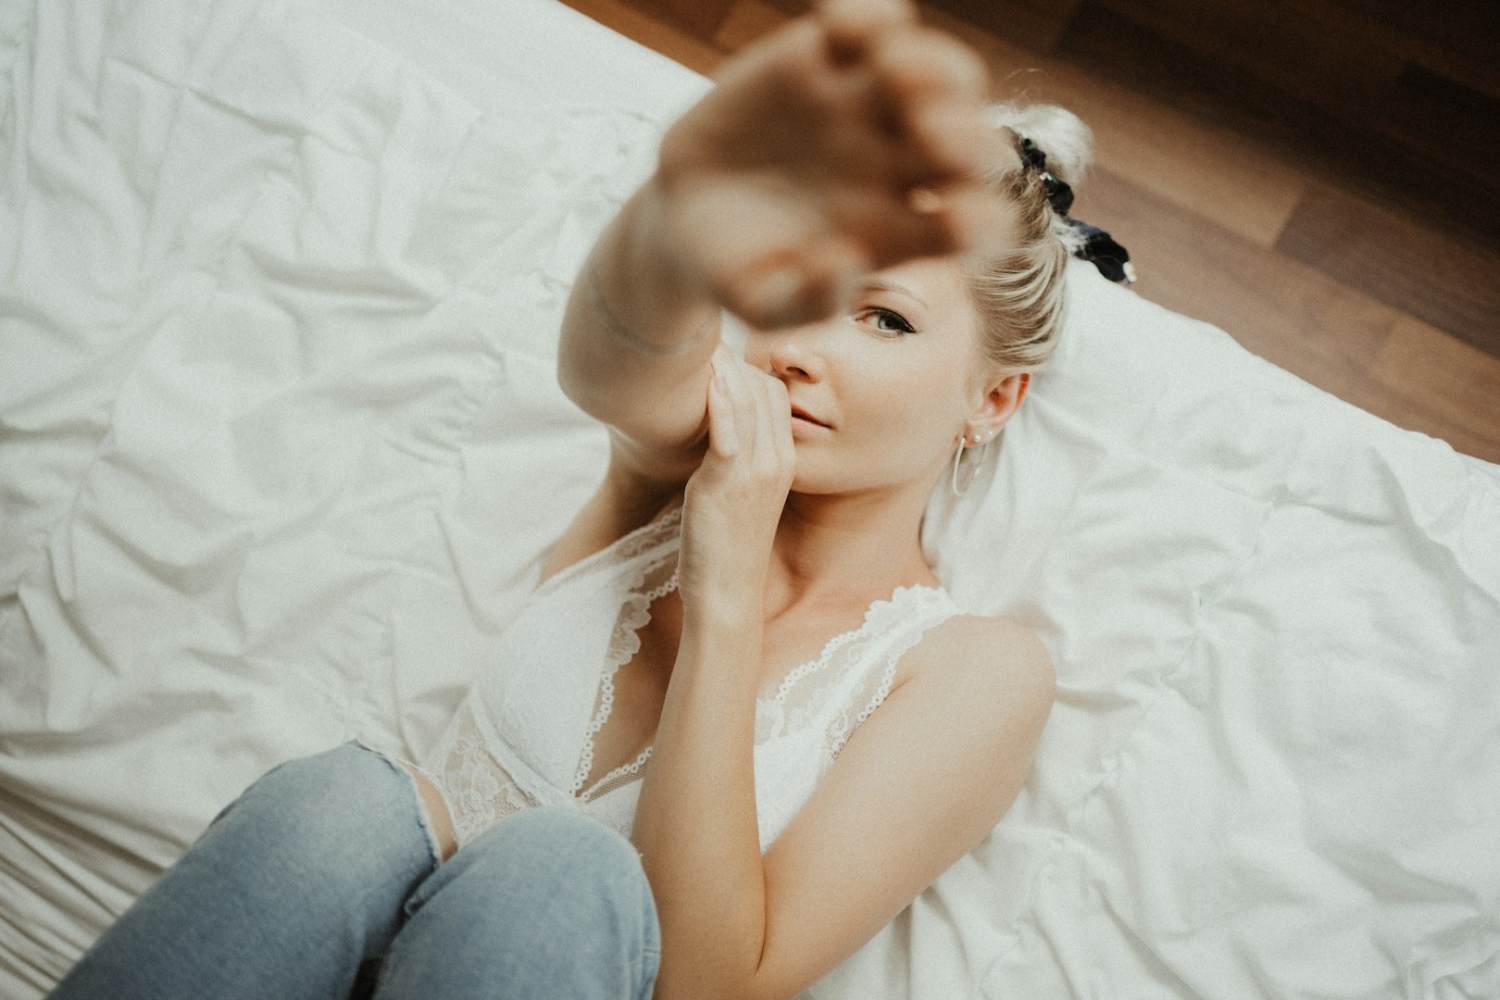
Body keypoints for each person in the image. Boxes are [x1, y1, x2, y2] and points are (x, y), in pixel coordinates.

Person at [48, 0, 1066, 997]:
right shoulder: (679, 465)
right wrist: (684, 195)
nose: (797, 346)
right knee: (346, 803)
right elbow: (615, 356)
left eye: (884, 318)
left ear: (993, 396)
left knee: (561, 871)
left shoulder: (978, 672)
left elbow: (713, 981)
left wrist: (726, 586)